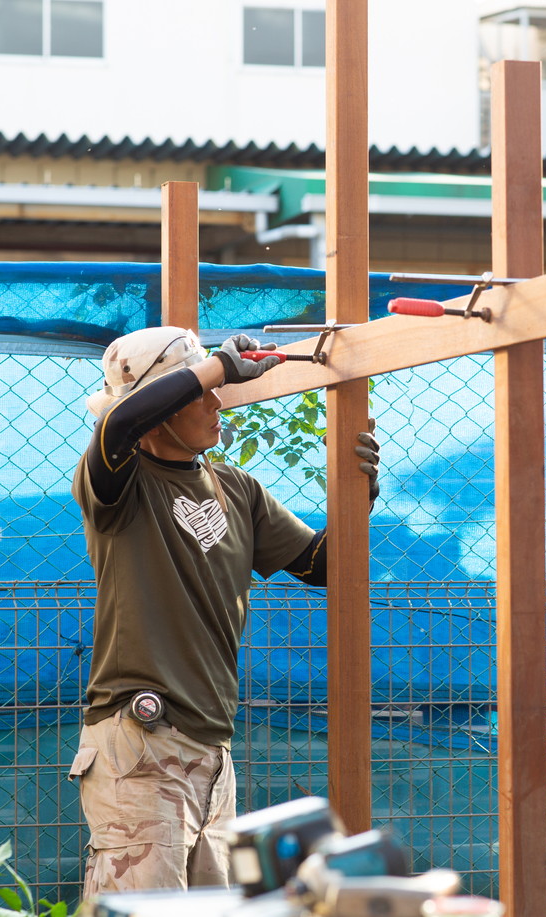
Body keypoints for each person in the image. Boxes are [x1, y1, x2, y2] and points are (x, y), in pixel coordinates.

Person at [67, 326, 379, 899]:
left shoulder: (236, 487)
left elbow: (322, 566)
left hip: (212, 751)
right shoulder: (117, 484)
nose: (219, 402)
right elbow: (117, 425)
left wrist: (359, 493)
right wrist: (216, 366)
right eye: (201, 393)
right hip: (142, 741)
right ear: (155, 415)